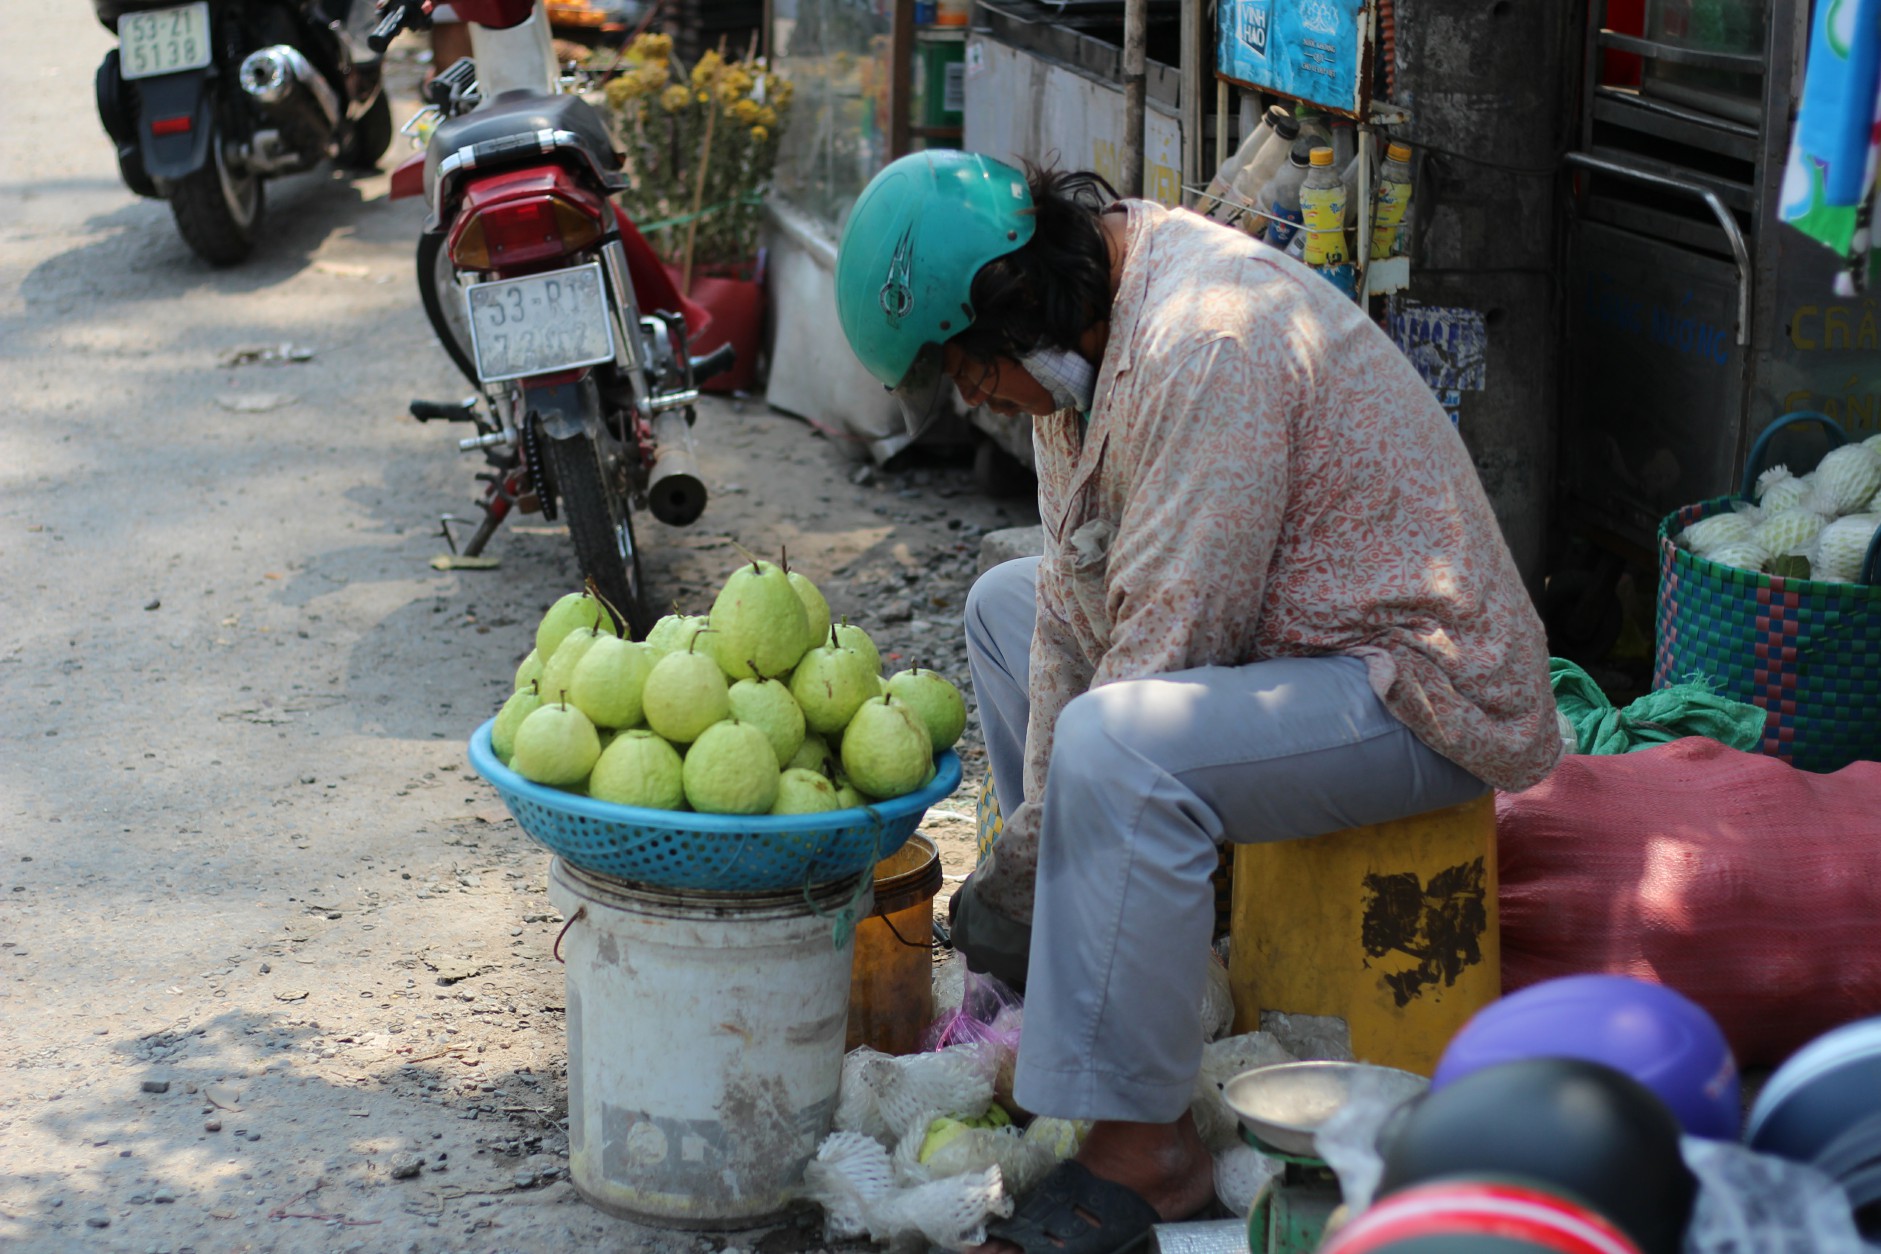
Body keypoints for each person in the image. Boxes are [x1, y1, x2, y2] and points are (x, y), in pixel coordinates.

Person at [832, 150, 1562, 1254]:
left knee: (1124, 747)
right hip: (1286, 643)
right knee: (1002, 605)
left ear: (1015, 306)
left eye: (970, 371)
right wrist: (1038, 884)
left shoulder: (1202, 344)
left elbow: (1160, 663)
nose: (978, 398)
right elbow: (1076, 611)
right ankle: (1106, 989)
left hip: (1411, 684)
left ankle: (1147, 1148)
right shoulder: (1077, 345)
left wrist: (1017, 874)